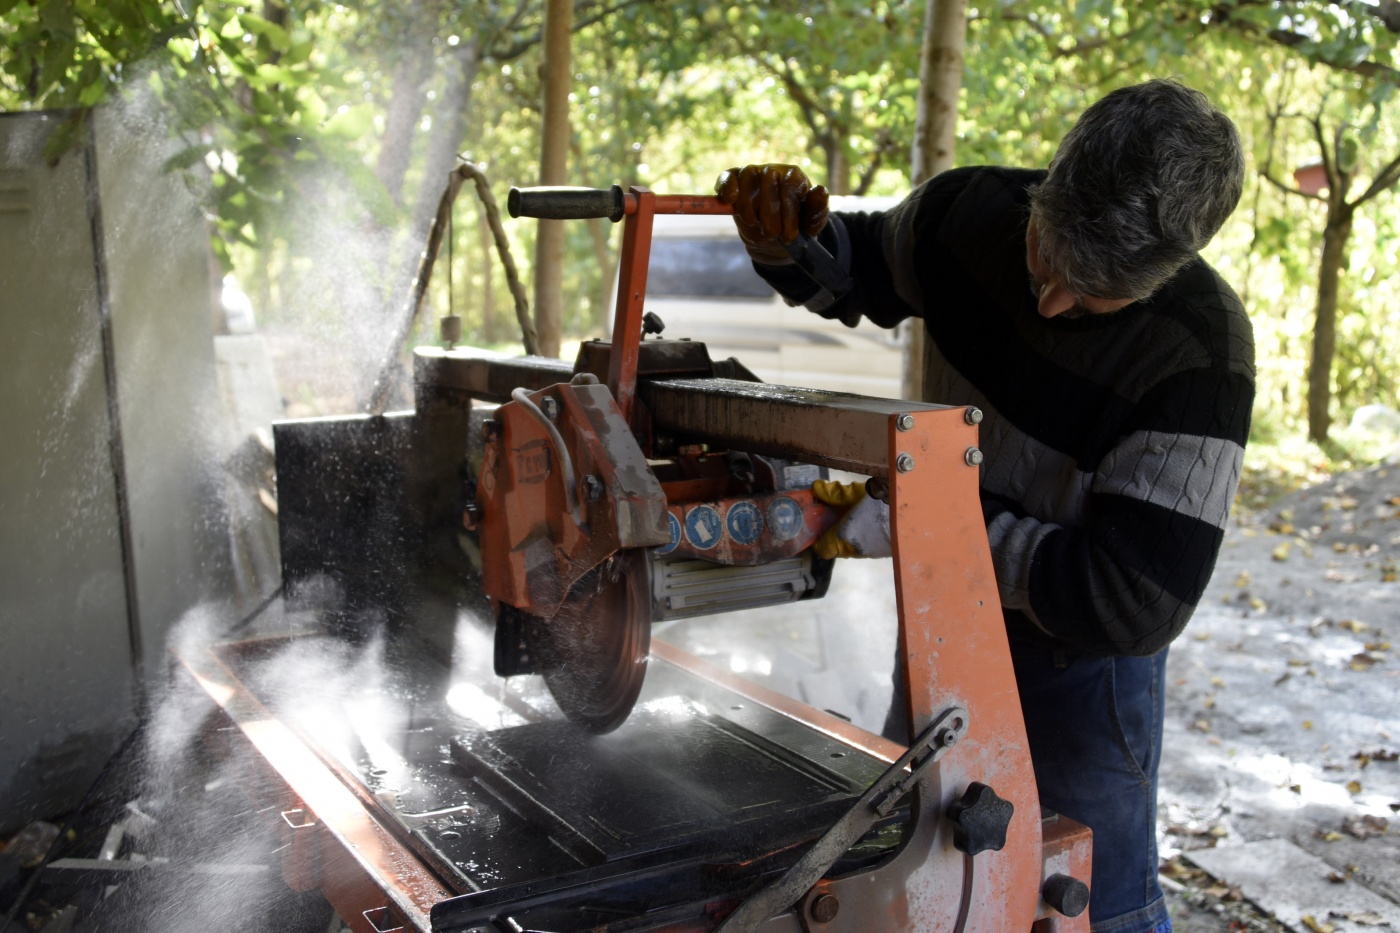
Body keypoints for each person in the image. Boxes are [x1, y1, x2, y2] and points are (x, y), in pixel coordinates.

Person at [715, 78, 1254, 932]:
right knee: (909, 877)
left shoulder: (1199, 356)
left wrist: (938, 526)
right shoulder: (968, 210)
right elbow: (851, 273)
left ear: (1164, 275)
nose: (1049, 303)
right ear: (1050, 187)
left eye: (1090, 294)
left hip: (1083, 668)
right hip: (941, 624)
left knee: (1084, 904)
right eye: (1048, 258)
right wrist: (786, 239)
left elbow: (1132, 598)